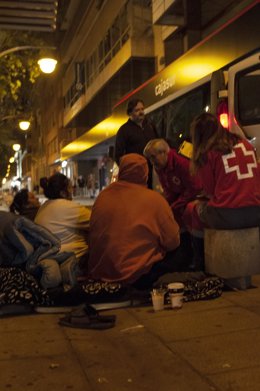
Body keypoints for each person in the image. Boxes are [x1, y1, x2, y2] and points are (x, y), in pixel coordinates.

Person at [87, 153, 180, 289]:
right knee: (180, 252)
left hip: (100, 273)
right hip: (136, 276)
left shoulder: (103, 196)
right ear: (145, 174)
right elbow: (173, 241)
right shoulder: (154, 200)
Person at [190, 112, 260, 230]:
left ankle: (203, 248)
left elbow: (210, 190)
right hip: (257, 210)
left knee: (192, 209)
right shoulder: (245, 144)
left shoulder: (208, 153)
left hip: (227, 215)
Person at [143, 138, 202, 230]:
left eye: (153, 157)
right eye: (149, 158)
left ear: (164, 153)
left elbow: (195, 187)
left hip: (197, 196)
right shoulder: (159, 166)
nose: (152, 162)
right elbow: (168, 190)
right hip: (183, 197)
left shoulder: (182, 163)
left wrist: (175, 206)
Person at [35, 173, 91, 264]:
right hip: (70, 261)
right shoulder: (68, 207)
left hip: (49, 259)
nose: (72, 191)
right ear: (63, 193)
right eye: (69, 188)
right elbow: (98, 221)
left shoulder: (44, 207)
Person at [115, 98, 158, 188]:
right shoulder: (124, 130)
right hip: (136, 174)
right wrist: (130, 170)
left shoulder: (150, 126)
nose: (141, 112)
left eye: (142, 109)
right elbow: (118, 155)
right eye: (137, 110)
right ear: (130, 113)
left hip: (153, 171)